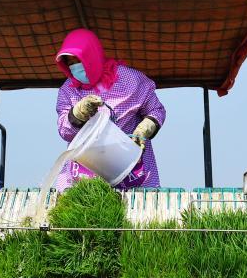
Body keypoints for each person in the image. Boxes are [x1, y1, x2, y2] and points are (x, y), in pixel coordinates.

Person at [54, 28, 166, 190]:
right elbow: (65, 132)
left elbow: (156, 110)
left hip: (130, 167)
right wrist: (78, 114)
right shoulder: (69, 90)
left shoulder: (130, 80)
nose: (75, 67)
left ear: (91, 55)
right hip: (85, 172)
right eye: (70, 63)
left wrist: (145, 128)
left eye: (78, 60)